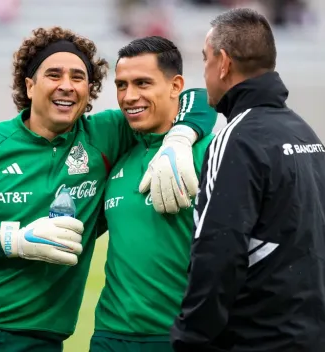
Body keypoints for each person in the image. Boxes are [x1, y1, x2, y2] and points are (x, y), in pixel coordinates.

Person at [0, 27, 216, 351]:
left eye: (78, 77)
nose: (67, 86)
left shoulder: (107, 134)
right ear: (29, 85)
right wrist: (12, 240)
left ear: (90, 89)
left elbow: (194, 98)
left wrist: (181, 136)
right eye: (54, 75)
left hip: (43, 338)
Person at [170, 8, 325, 352]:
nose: (203, 72)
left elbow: (217, 251)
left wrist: (189, 339)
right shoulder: (304, 133)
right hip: (322, 337)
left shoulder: (236, 138)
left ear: (223, 63)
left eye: (205, 59)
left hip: (260, 339)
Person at [90, 36, 216, 352]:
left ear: (176, 86)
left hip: (180, 336)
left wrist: (180, 139)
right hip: (108, 336)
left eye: (143, 83)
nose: (129, 96)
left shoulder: (209, 153)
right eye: (121, 85)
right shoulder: (120, 152)